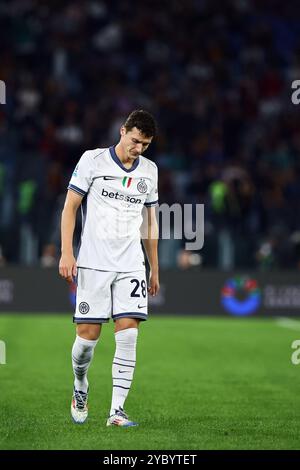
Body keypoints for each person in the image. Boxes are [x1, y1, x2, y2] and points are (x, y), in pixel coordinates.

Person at [59, 110, 159, 427]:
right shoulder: (93, 161)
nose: (138, 149)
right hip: (94, 261)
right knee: (87, 341)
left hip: (131, 263)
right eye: (135, 141)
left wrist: (154, 268)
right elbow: (70, 207)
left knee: (128, 335)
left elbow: (149, 222)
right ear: (122, 131)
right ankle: (80, 385)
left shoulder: (150, 171)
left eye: (145, 144)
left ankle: (116, 412)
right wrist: (66, 252)